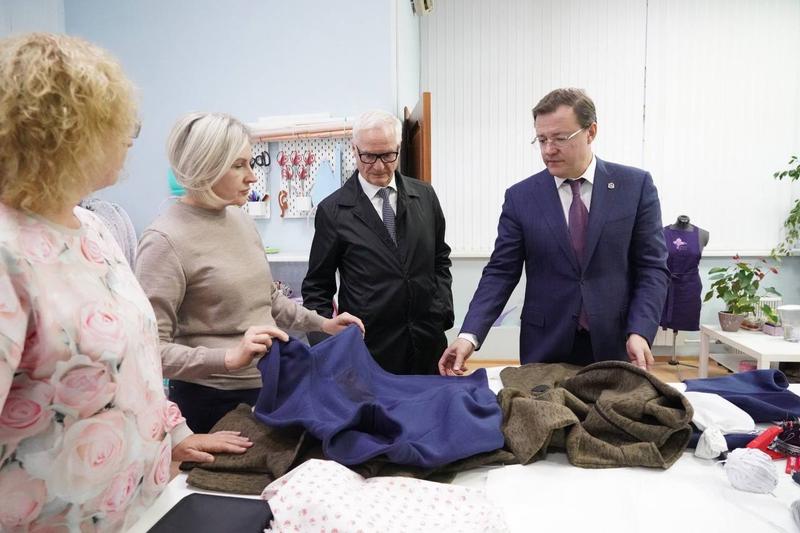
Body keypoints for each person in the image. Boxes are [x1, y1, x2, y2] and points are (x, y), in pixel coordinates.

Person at [0, 33, 251, 532]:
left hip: (141, 508)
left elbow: (138, 361)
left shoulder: (93, 228)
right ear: (63, 131)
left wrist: (175, 433)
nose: (130, 138)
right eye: (118, 124)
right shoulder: (8, 252)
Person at [135, 112, 364, 433]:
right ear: (207, 166)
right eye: (239, 165)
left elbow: (268, 298)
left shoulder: (241, 220)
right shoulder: (164, 241)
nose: (253, 177)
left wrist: (324, 324)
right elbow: (148, 350)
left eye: (251, 163)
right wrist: (228, 358)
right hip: (211, 402)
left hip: (268, 386)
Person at [440, 88, 669, 375]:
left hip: (618, 341)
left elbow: (652, 268)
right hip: (545, 346)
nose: (548, 149)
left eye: (560, 138)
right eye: (542, 139)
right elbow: (501, 272)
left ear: (591, 132)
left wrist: (640, 330)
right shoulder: (521, 197)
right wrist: (469, 336)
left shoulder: (634, 187)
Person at [302, 110, 454, 375]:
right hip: (370, 350)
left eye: (387, 155)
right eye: (369, 156)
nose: (380, 166)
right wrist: (329, 347)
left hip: (427, 343)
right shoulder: (333, 211)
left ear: (399, 148)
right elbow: (317, 288)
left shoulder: (425, 196)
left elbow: (440, 259)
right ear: (354, 150)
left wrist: (441, 311)